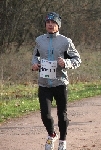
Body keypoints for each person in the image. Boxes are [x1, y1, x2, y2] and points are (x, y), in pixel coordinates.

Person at [31, 12, 81, 150]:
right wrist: (35, 65)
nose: (50, 25)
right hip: (44, 83)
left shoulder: (66, 41)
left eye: (53, 23)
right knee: (45, 114)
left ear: (58, 25)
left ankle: (63, 141)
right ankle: (52, 134)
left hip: (60, 82)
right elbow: (35, 57)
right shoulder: (39, 40)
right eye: (48, 22)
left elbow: (77, 59)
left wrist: (65, 63)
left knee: (62, 114)